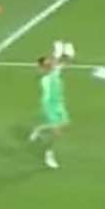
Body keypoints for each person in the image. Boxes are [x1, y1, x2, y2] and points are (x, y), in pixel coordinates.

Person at [29, 41, 75, 169]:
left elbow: (65, 63)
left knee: (65, 124)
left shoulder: (54, 70)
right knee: (57, 132)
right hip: (50, 106)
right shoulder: (43, 76)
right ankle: (49, 154)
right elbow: (54, 67)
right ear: (42, 67)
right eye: (46, 63)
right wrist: (58, 53)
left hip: (59, 103)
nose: (49, 63)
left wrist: (68, 54)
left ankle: (39, 129)